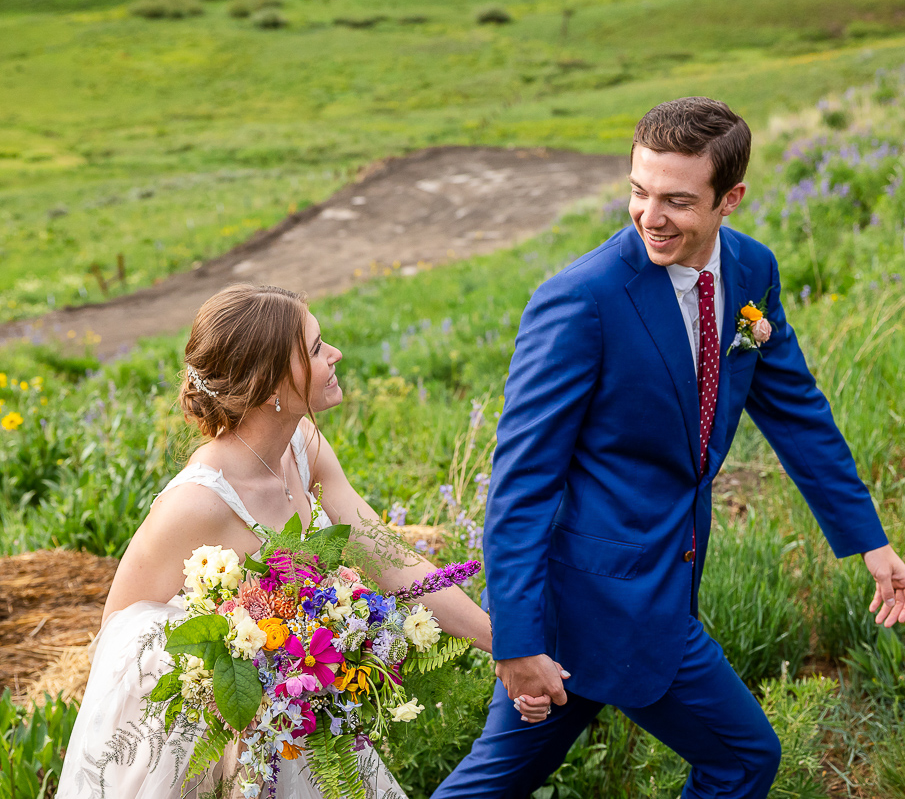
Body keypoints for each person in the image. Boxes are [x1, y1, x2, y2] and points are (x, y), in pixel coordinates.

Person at [432, 97, 905, 799]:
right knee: (744, 756)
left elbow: (798, 413)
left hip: (660, 575)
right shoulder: (580, 300)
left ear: (731, 200)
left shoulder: (751, 273)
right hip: (597, 602)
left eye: (677, 200)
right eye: (638, 191)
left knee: (495, 780)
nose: (650, 216)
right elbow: (522, 483)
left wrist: (869, 541)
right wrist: (516, 637)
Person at [57, 285, 552, 799]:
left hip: (300, 728)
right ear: (270, 381)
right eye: (316, 349)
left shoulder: (304, 446)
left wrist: (506, 644)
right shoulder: (196, 505)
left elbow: (388, 557)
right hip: (210, 743)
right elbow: (118, 637)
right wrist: (238, 664)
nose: (335, 354)